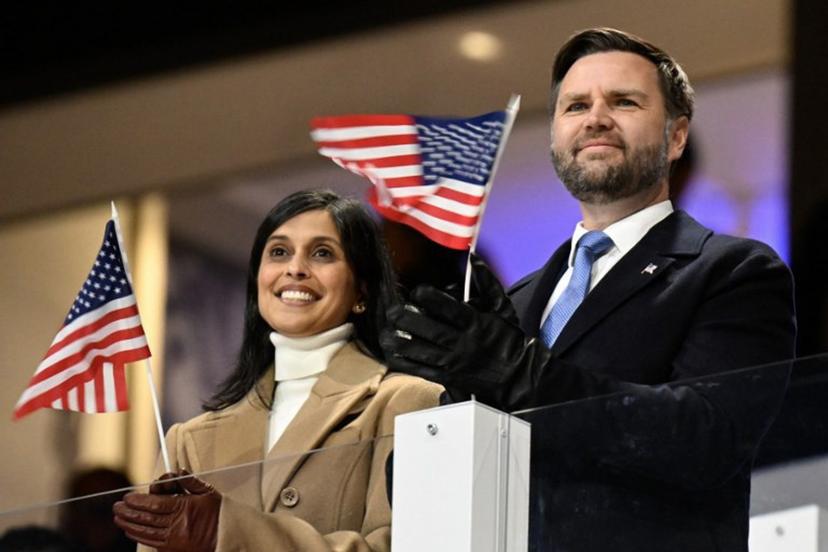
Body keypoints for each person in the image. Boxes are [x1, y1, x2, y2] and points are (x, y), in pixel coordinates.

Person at [380, 28, 796, 551]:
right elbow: (413, 486)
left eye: (623, 101)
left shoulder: (733, 272)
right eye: (576, 106)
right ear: (556, 137)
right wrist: (468, 393)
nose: (595, 117)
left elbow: (703, 441)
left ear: (676, 137)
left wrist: (518, 371)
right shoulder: (519, 301)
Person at [112, 189, 442, 551]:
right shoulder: (186, 441)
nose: (295, 268)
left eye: (322, 253)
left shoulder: (409, 402)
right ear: (259, 281)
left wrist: (227, 532)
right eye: (279, 252)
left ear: (362, 290)